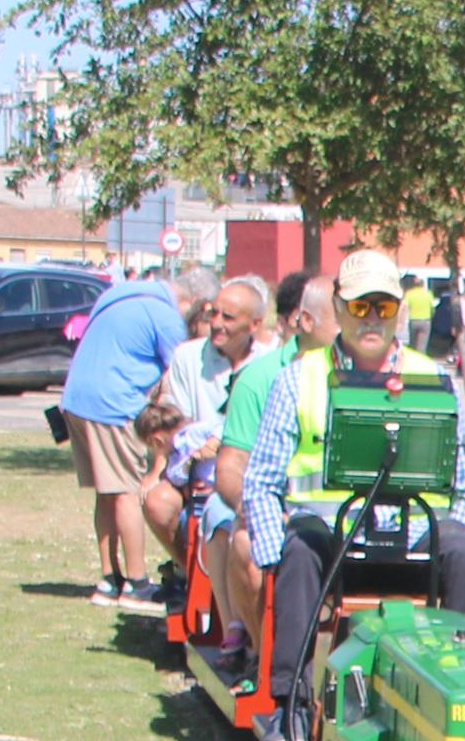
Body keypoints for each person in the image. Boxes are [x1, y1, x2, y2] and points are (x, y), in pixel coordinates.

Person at [237, 249, 465, 741]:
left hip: (413, 540)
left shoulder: (434, 378)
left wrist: (455, 529)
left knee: (464, 552)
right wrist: (270, 555)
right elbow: (260, 481)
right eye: (358, 307)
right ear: (338, 306)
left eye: (382, 306)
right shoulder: (299, 378)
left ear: (399, 309)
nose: (371, 318)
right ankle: (286, 707)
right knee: (296, 551)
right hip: (330, 543)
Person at [60, 261, 202, 602]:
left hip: (76, 399)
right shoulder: (164, 314)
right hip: (114, 404)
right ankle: (137, 584)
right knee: (126, 490)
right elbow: (181, 368)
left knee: (106, 493)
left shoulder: (117, 295)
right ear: (190, 300)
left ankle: (109, 579)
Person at [205, 273, 317, 653]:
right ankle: (266, 659)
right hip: (281, 512)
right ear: (303, 320)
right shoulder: (260, 378)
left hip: (340, 519)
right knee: (246, 545)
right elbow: (231, 466)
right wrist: (258, 509)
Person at [149, 274, 269, 582]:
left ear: (254, 324)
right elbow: (172, 421)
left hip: (247, 475)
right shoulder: (187, 357)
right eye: (213, 312)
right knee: (157, 502)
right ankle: (191, 575)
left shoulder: (270, 362)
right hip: (194, 471)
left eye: (228, 317)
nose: (216, 323)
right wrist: (193, 448)